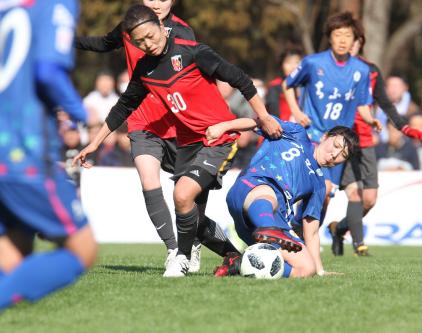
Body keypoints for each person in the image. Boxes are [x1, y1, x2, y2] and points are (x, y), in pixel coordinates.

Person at [73, 4, 282, 277]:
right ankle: (233, 256)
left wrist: (263, 116)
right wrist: (95, 143)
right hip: (187, 143)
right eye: (140, 42)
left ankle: (180, 258)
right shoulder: (145, 69)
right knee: (190, 215)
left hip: (217, 138)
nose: (147, 44)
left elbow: (240, 79)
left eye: (151, 36)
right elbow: (123, 107)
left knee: (182, 196)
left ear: (162, 27)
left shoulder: (193, 51)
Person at [0, 0, 97, 310]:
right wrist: (81, 112)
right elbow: (47, 70)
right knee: (82, 249)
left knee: (13, 253)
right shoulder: (55, 3)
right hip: (21, 153)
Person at [213, 118, 359, 278]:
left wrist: (319, 270)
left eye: (342, 155)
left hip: (273, 223)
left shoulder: (319, 185)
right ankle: (267, 228)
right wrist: (224, 126)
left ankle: (239, 263)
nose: (334, 155)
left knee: (305, 268)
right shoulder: (297, 133)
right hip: (251, 189)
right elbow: (259, 120)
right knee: (269, 194)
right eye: (336, 145)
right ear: (325, 137)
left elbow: (312, 232)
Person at [328, 28, 422, 256]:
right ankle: (359, 245)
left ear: (359, 43)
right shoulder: (331, 68)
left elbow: (386, 104)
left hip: (366, 141)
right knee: (354, 193)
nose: (348, 43)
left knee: (369, 200)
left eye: (353, 40)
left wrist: (405, 127)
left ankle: (338, 229)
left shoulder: (370, 70)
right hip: (342, 140)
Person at [282, 12, 381, 235]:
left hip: (340, 143)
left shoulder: (362, 70)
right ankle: (292, 226)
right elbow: (287, 85)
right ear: (330, 37)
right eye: (338, 34)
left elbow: (363, 104)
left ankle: (302, 232)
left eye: (347, 35)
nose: (343, 40)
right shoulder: (312, 62)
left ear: (355, 39)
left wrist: (370, 119)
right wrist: (296, 112)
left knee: (325, 196)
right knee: (321, 189)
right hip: (313, 136)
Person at [266, 48, 303, 121]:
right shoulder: (275, 86)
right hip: (284, 127)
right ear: (281, 65)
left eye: (297, 62)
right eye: (288, 62)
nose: (293, 67)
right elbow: (273, 112)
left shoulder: (306, 85)